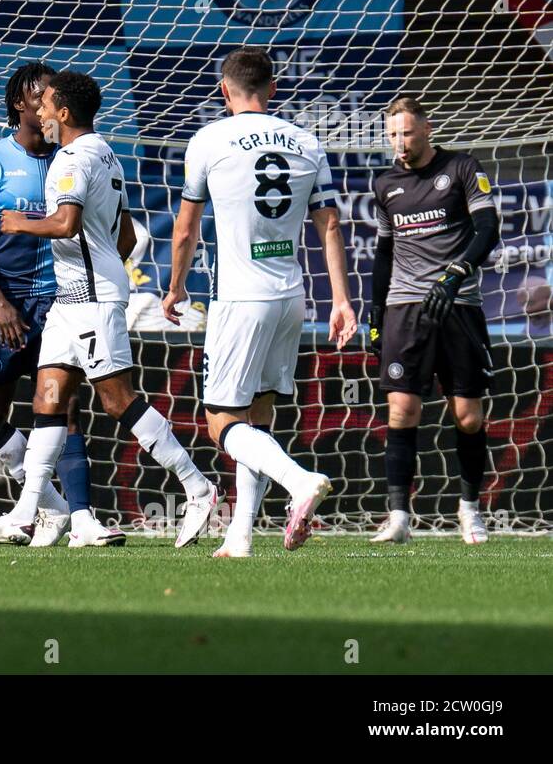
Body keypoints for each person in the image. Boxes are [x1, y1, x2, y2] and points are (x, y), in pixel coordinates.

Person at [0, 70, 218, 548]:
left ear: (63, 113)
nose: (38, 112)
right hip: (74, 298)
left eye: (45, 106)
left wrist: (21, 223)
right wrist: (100, 269)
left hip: (91, 300)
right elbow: (125, 237)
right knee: (48, 399)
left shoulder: (68, 161)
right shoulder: (105, 152)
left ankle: (197, 486)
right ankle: (26, 512)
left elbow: (64, 224)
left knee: (116, 400)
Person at [164, 47, 357, 558]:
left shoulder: (209, 139)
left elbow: (184, 229)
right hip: (290, 297)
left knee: (222, 422)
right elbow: (330, 223)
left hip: (239, 298)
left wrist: (175, 286)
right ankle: (241, 534)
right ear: (273, 89)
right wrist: (341, 299)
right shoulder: (306, 141)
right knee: (259, 416)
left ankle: (299, 481)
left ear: (224, 91)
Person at [367, 96, 501, 545]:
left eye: (405, 133)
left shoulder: (462, 168)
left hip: (458, 303)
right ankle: (399, 517)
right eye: (391, 136)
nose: (399, 144)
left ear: (426, 128)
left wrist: (456, 273)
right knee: (402, 410)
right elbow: (384, 254)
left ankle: (469, 511)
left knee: (467, 416)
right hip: (406, 309)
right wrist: (374, 314)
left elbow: (488, 228)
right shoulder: (385, 184)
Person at [0, 61, 74, 548]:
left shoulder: (73, 158)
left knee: (63, 409)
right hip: (9, 307)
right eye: (43, 95)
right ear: (21, 103)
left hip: (62, 304)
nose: (50, 104)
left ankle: (74, 517)